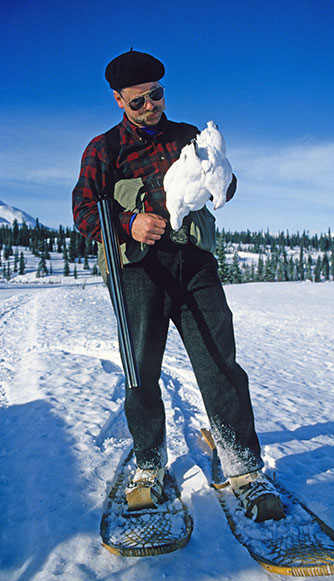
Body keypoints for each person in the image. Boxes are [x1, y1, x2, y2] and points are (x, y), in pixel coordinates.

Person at [72, 50, 284, 523]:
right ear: (118, 101)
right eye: (139, 101)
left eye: (157, 95)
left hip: (195, 265)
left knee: (219, 363)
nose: (151, 106)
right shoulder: (103, 150)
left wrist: (225, 181)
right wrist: (128, 222)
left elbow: (223, 185)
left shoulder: (189, 137)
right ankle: (149, 463)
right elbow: (85, 211)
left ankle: (243, 467)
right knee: (141, 369)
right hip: (139, 273)